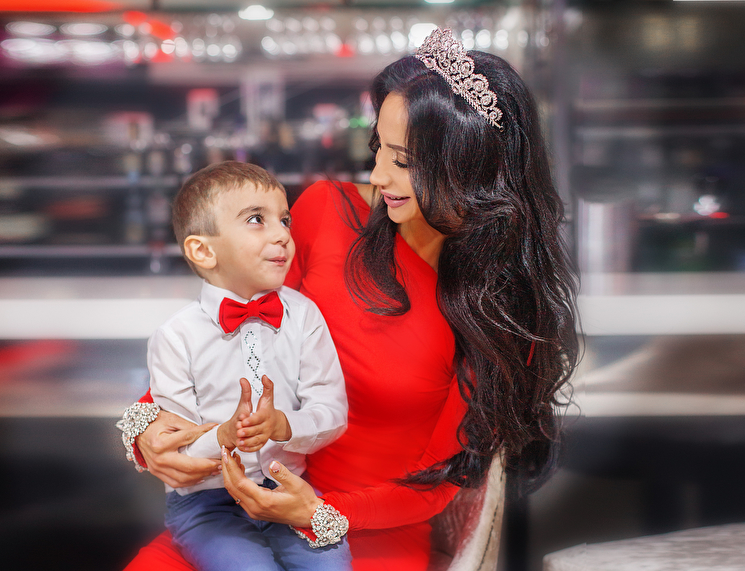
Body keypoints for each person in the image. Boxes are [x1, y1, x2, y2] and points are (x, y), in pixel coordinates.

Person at [119, 28, 579, 571]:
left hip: (367, 529)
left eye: (404, 161)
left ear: (470, 167)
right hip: (237, 513)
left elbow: (440, 483)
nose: (378, 175)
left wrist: (320, 513)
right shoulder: (326, 213)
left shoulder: (498, 312)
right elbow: (229, 326)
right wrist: (147, 425)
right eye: (378, 148)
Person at [119, 160, 351, 571]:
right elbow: (178, 449)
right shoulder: (175, 337)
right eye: (257, 220)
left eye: (284, 219)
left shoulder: (305, 316)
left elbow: (332, 412)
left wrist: (284, 425)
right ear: (203, 251)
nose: (282, 234)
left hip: (288, 489)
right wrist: (224, 436)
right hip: (208, 503)